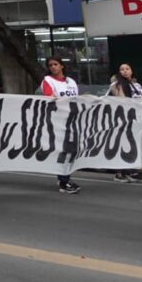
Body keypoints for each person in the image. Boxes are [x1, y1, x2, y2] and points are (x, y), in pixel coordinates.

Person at [40, 56, 82, 194]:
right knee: (63, 150)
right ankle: (64, 181)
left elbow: (76, 99)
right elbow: (50, 98)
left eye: (55, 64)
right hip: (57, 120)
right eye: (50, 65)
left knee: (71, 151)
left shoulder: (71, 82)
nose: (53, 67)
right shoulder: (47, 81)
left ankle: (64, 177)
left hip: (72, 120)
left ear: (62, 66)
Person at [109, 63, 142, 183]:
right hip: (123, 118)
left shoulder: (137, 84)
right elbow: (123, 101)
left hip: (137, 118)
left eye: (127, 69)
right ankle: (120, 172)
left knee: (135, 145)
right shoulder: (116, 85)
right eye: (122, 69)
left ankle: (133, 171)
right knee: (123, 144)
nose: (125, 71)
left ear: (132, 71)